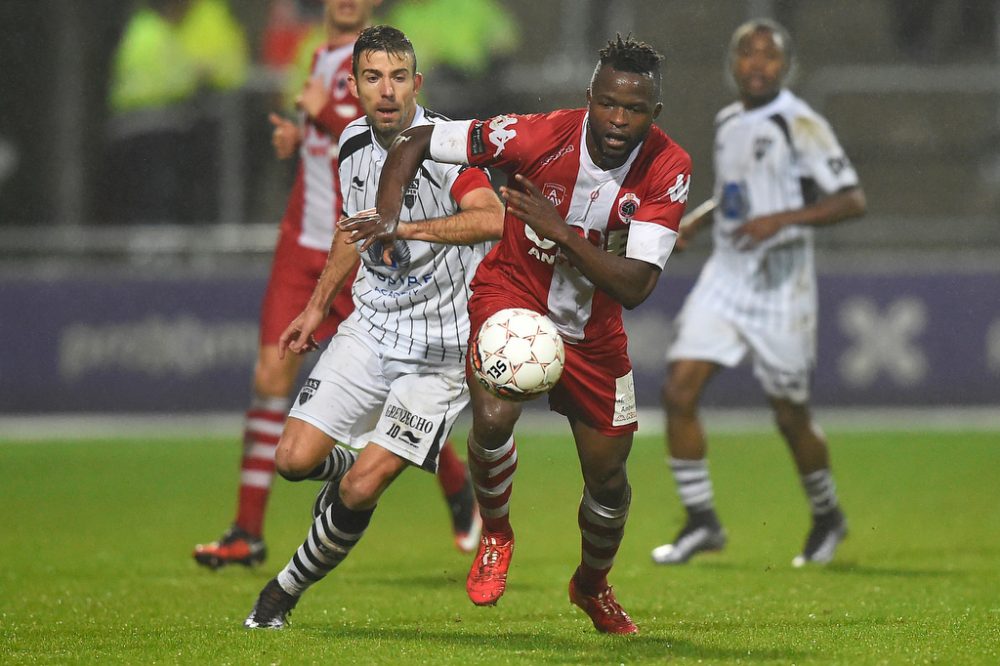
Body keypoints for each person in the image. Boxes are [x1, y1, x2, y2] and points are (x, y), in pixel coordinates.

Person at [348, 35, 693, 635]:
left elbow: (636, 286)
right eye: (608, 104)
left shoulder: (669, 168)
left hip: (595, 332)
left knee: (609, 479)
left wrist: (561, 231)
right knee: (491, 421)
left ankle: (591, 586)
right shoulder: (537, 135)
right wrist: (387, 210)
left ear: (654, 114)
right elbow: (419, 138)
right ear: (590, 98)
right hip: (512, 296)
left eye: (634, 110)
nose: (618, 120)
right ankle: (497, 534)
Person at [193, 1, 480, 571]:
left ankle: (454, 486)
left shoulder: (384, 74)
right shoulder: (319, 57)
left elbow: (377, 142)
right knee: (272, 374)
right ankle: (248, 529)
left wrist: (319, 119)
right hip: (311, 239)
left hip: (377, 251)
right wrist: (297, 137)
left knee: (399, 376)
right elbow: (341, 149)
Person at [243, 25, 504, 629]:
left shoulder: (445, 149)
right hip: (371, 327)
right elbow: (349, 224)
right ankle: (359, 462)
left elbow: (491, 219)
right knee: (293, 460)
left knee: (360, 490)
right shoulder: (354, 140)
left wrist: (405, 229)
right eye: (372, 77)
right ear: (356, 87)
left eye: (398, 76)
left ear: (418, 82)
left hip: (441, 352)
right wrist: (315, 307)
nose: (387, 90)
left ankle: (280, 593)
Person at [649, 19, 866, 568]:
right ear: (734, 63)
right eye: (748, 54)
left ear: (786, 66)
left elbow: (850, 200)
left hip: (782, 288)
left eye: (770, 56)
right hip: (726, 277)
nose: (758, 64)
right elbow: (733, 192)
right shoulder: (728, 122)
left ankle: (827, 515)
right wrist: (696, 221)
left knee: (789, 415)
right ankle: (702, 521)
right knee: (678, 392)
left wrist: (781, 219)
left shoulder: (801, 123)